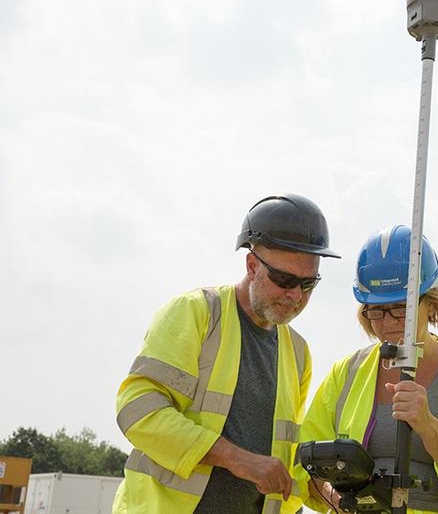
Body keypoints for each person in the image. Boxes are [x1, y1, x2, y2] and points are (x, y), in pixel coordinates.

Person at [113, 194, 340, 514]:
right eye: (285, 280)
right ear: (251, 265)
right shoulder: (196, 314)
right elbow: (138, 410)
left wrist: (325, 491)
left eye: (308, 284)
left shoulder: (298, 352)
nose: (295, 295)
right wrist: (237, 460)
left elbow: (285, 459)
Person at [298, 224, 438, 513]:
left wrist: (427, 423)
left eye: (401, 308)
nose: (389, 322)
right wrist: (336, 497)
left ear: (430, 304)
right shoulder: (346, 372)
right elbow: (305, 462)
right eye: (376, 310)